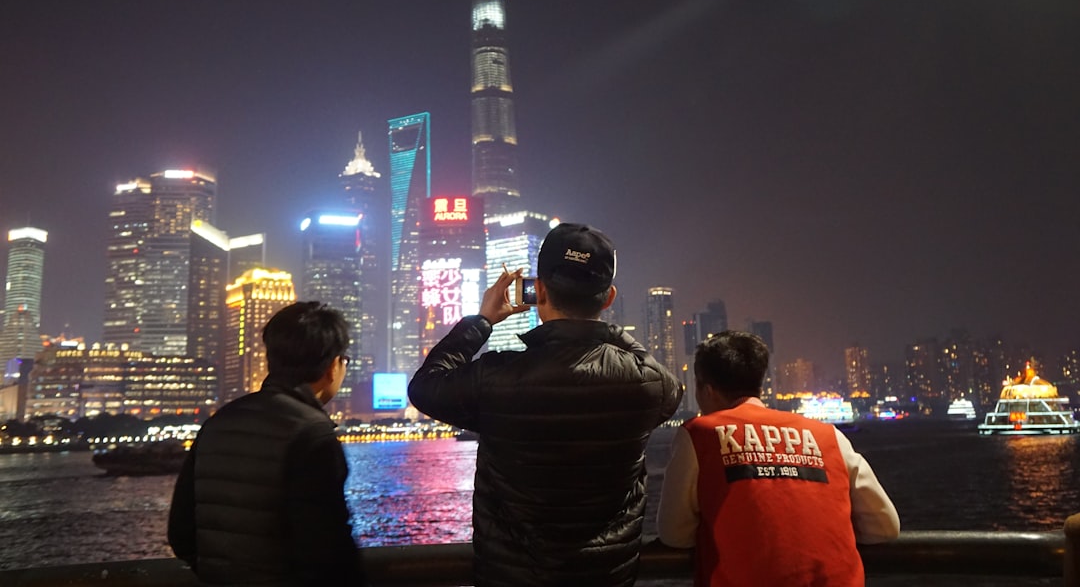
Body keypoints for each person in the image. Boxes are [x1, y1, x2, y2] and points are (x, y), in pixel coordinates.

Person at [409, 222, 684, 587]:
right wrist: (602, 329)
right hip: (605, 578)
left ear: (537, 291)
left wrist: (483, 320)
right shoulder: (645, 382)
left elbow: (425, 387)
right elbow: (670, 385)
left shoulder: (496, 377)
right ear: (608, 298)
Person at [657, 330, 900, 587]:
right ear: (759, 384)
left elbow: (675, 535)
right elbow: (884, 527)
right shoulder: (829, 436)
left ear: (706, 389)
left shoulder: (699, 435)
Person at [168, 301, 365, 586]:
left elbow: (181, 533)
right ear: (333, 366)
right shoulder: (312, 433)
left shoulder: (219, 422)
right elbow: (327, 549)